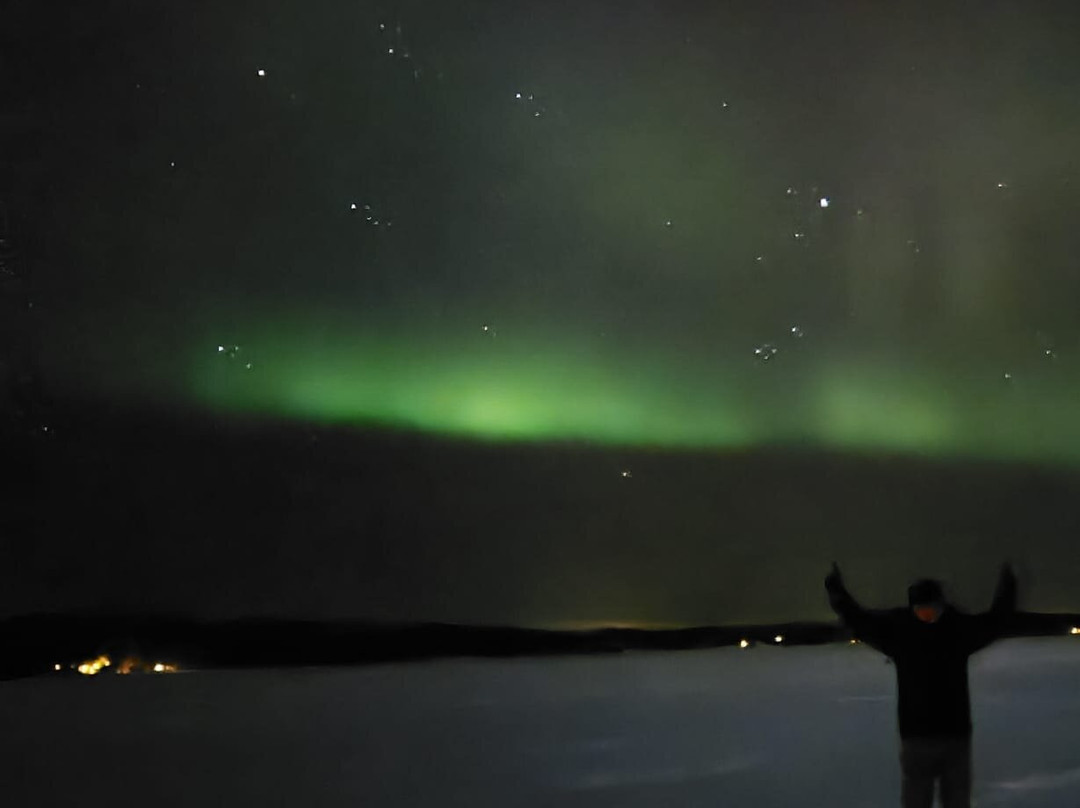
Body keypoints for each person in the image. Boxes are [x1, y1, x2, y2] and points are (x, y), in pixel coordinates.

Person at [824, 561, 1017, 808]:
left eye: (931, 610)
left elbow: (995, 623)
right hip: (923, 739)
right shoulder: (906, 635)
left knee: (952, 800)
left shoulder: (953, 632)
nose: (928, 616)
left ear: (941, 606)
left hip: (949, 737)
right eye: (922, 611)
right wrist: (837, 593)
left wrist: (1008, 586)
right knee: (922, 799)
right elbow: (860, 622)